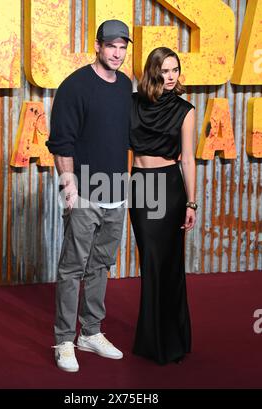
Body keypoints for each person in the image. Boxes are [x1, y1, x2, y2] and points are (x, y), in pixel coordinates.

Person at [46, 20, 132, 372]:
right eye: (111, 45)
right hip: (84, 194)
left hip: (116, 193)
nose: (117, 53)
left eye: (123, 47)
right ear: (97, 46)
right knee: (72, 269)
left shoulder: (126, 84)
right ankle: (65, 340)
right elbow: (61, 142)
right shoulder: (76, 86)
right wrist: (70, 188)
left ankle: (90, 332)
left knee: (100, 266)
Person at [129, 47, 196, 365]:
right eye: (164, 71)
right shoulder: (132, 104)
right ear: (152, 72)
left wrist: (192, 202)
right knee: (150, 263)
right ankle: (151, 339)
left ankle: (171, 341)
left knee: (168, 264)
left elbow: (189, 158)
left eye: (175, 70)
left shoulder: (185, 109)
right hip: (140, 187)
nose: (170, 76)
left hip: (169, 189)